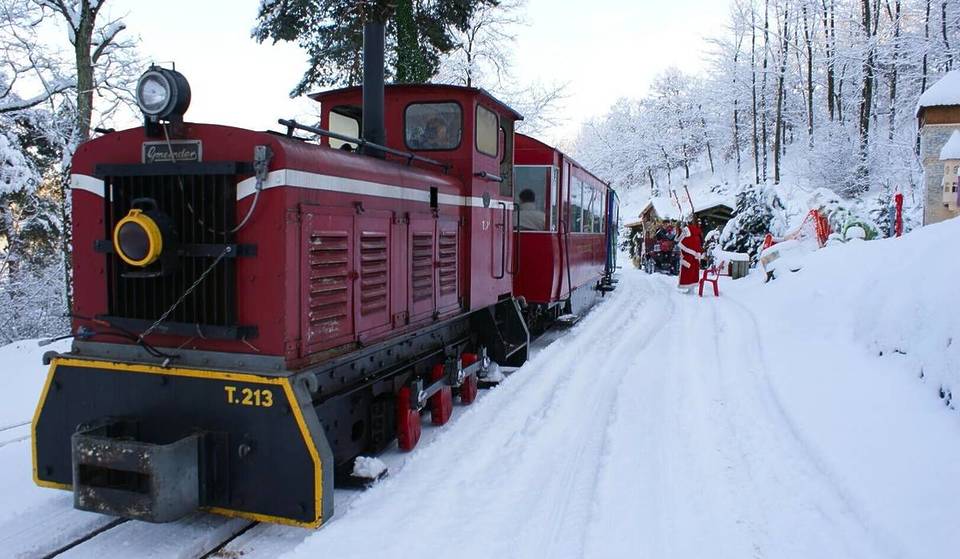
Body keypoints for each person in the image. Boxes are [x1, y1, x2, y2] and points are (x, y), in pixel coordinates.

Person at [677, 216, 703, 292]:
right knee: (694, 271)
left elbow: (679, 239)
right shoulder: (697, 232)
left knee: (687, 271)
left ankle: (689, 289)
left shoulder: (687, 230)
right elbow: (699, 243)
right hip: (695, 255)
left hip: (688, 255)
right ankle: (692, 289)